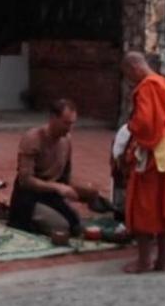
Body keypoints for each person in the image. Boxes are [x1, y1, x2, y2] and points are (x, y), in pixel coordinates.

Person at [120, 52, 165, 273]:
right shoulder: (164, 83)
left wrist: (130, 129)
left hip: (154, 150)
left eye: (128, 75)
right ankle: (163, 260)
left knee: (145, 205)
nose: (130, 80)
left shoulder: (147, 87)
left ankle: (144, 260)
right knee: (163, 202)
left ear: (134, 68)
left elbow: (145, 123)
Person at [10, 99, 104, 238]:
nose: (69, 128)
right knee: (61, 227)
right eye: (66, 123)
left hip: (52, 195)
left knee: (75, 223)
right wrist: (57, 187)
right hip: (29, 196)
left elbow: (66, 179)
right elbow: (25, 180)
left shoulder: (67, 141)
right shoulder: (33, 138)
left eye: (72, 123)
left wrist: (87, 192)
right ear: (53, 118)